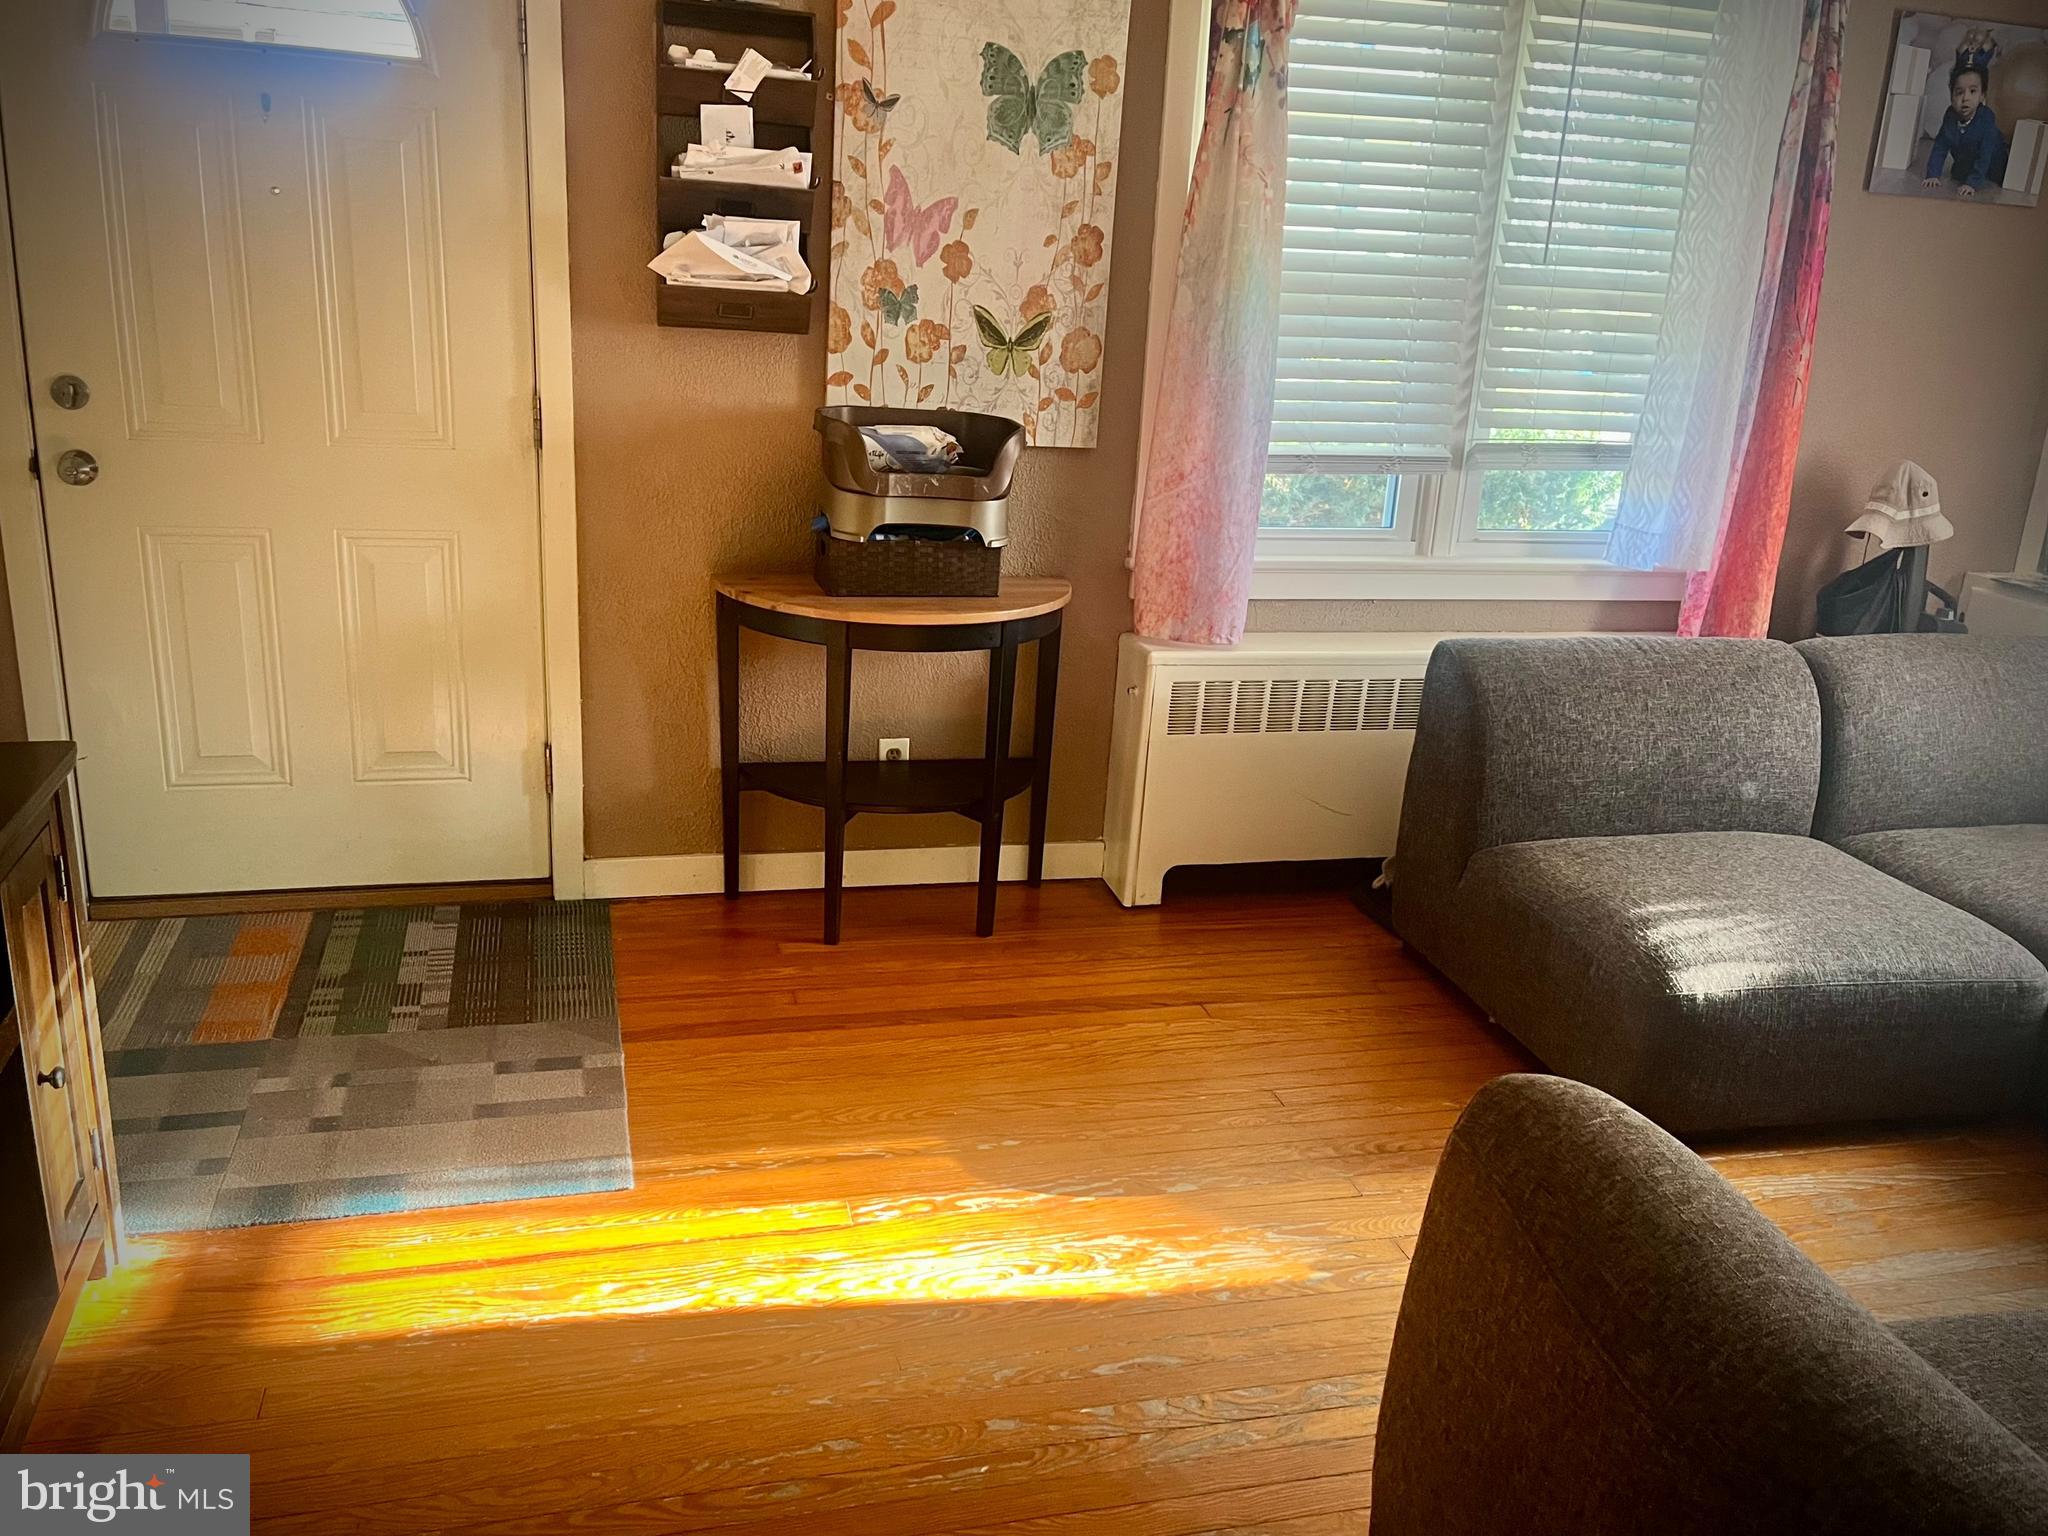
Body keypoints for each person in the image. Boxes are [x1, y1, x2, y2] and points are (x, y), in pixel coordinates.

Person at [1923, 60, 2008, 198]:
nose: (1965, 98)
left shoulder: (1986, 118)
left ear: (1982, 96)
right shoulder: (1950, 115)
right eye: (1959, 92)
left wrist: (1972, 183)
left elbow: (1985, 155)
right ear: (1951, 96)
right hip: (1965, 160)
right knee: (1957, 175)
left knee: (1990, 178)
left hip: (1992, 165)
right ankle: (1965, 172)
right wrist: (1933, 175)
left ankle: (1975, 177)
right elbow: (1940, 146)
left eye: (1973, 91)